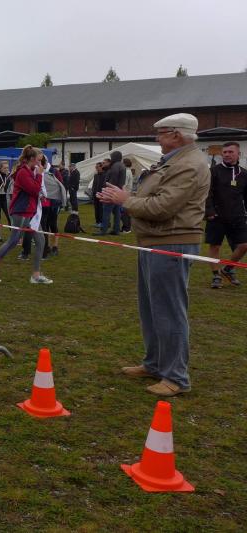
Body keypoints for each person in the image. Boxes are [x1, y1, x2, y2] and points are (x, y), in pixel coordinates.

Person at [98, 113, 210, 396]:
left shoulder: (189, 164)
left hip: (172, 242)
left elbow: (162, 207)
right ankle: (155, 363)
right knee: (151, 309)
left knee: (169, 311)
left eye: (161, 133)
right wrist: (127, 197)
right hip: (156, 240)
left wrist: (126, 200)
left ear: (176, 135)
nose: (157, 138)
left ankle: (176, 377)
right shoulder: (174, 161)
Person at [0, 145, 52, 284]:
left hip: (31, 211)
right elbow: (33, 189)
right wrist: (40, 175)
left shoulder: (31, 171)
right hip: (21, 211)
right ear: (32, 159)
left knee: (40, 240)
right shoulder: (23, 172)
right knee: (13, 241)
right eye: (39, 160)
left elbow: (35, 191)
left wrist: (40, 194)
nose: (41, 164)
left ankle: (36, 275)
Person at [205, 141, 247, 288]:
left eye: (231, 152)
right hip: (217, 216)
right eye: (225, 152)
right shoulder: (213, 171)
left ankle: (228, 269)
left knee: (243, 245)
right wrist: (210, 211)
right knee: (215, 246)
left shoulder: (244, 173)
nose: (227, 154)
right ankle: (216, 275)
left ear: (238, 154)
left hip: (238, 216)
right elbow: (207, 193)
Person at [96, 151, 126, 235]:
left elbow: (113, 180)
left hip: (111, 192)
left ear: (115, 157)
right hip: (118, 191)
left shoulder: (115, 166)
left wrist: (108, 190)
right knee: (117, 212)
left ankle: (103, 230)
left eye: (112, 156)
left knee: (106, 211)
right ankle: (116, 229)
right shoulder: (122, 165)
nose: (111, 158)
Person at [120, 158, 135, 233]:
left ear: (125, 164)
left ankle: (126, 228)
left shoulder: (126, 172)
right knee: (126, 212)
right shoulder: (129, 171)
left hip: (124, 194)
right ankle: (127, 227)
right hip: (128, 193)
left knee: (123, 212)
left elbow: (124, 184)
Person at [91, 161, 107, 226]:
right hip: (95, 194)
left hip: (101, 194)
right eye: (96, 167)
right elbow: (94, 184)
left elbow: (104, 185)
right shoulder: (96, 175)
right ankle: (97, 221)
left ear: (101, 167)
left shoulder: (105, 175)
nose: (96, 168)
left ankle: (101, 222)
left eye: (97, 167)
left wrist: (102, 193)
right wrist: (93, 192)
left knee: (101, 209)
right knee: (96, 208)